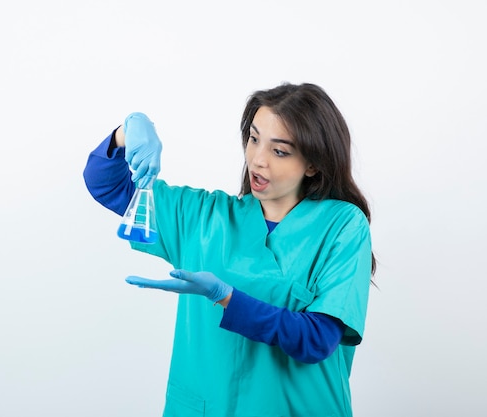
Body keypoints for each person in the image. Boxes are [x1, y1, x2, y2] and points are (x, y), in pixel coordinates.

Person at [83, 82, 375, 417]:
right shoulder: (205, 218)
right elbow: (108, 184)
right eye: (254, 139)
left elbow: (317, 339)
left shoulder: (342, 225)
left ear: (312, 164)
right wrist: (128, 130)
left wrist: (227, 298)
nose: (257, 160)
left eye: (279, 151)